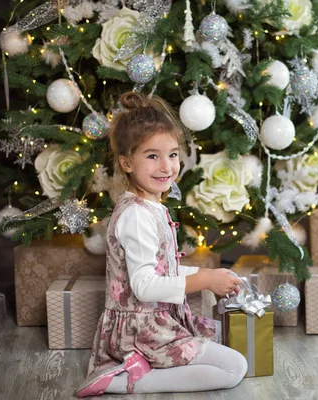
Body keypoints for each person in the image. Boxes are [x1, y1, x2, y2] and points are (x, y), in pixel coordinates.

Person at [76, 92, 247, 397]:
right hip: (141, 329)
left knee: (225, 345)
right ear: (126, 163)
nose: (166, 166)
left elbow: (162, 266)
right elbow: (143, 286)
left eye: (172, 155)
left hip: (157, 319)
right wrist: (205, 279)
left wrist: (209, 276)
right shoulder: (137, 216)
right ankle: (119, 379)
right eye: (152, 156)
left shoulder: (150, 207)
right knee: (235, 368)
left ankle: (144, 365)